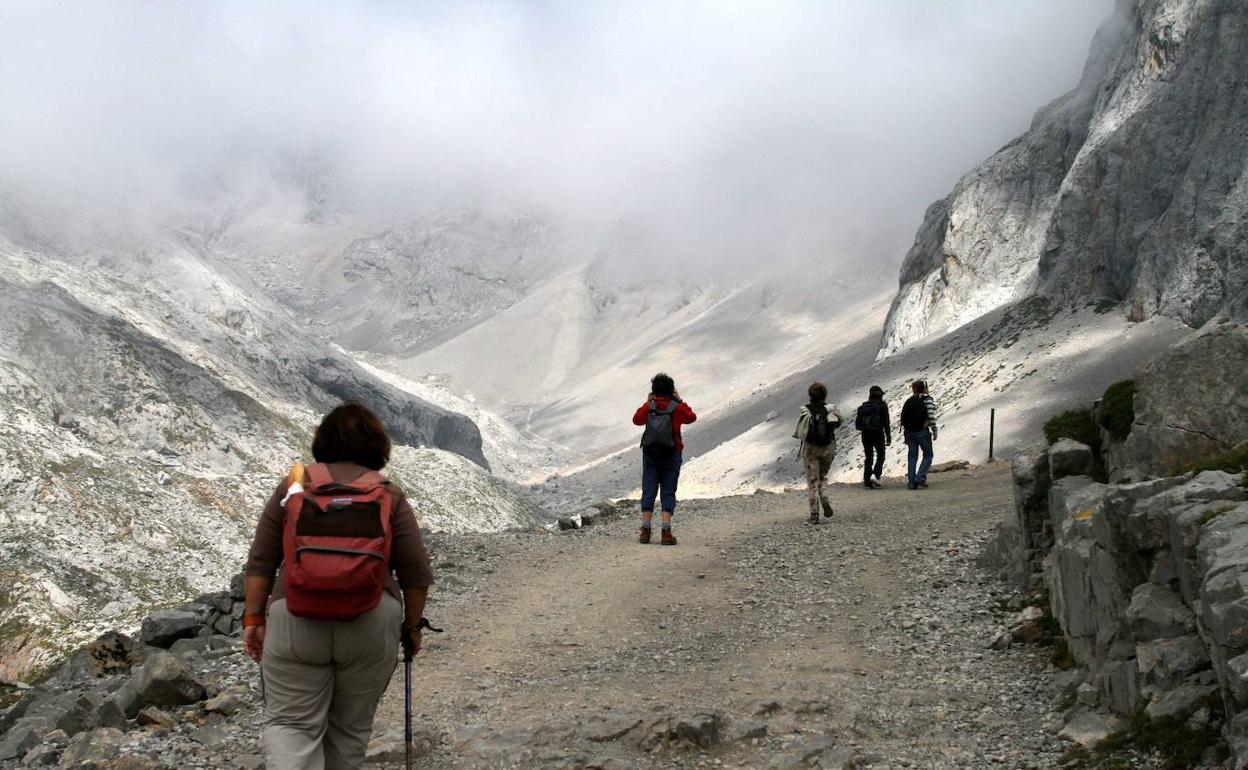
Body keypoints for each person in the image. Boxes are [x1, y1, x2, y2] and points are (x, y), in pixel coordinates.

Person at [242, 402, 435, 770]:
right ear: (378, 446)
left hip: (295, 615)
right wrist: (411, 628)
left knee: (292, 725)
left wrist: (253, 619)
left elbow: (262, 560)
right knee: (348, 730)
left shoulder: (296, 485)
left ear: (322, 442)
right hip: (371, 619)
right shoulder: (388, 494)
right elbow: (416, 572)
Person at [632, 373, 697, 545]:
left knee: (649, 488)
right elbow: (691, 417)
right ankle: (666, 532)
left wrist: (647, 403)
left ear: (654, 391)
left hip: (651, 454)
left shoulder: (650, 407)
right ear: (671, 390)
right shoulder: (677, 407)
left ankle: (645, 531)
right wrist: (680, 400)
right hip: (672, 453)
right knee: (668, 490)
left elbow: (636, 420)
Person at [793, 382, 841, 523]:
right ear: (824, 395)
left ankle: (814, 514)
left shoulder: (805, 411)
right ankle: (824, 497)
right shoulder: (831, 410)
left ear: (810, 395)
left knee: (813, 480)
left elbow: (801, 430)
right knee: (823, 476)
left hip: (810, 449)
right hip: (828, 447)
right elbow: (838, 422)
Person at [900, 380, 938, 490]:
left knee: (912, 456)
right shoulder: (927, 399)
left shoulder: (910, 400)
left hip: (909, 432)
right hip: (922, 431)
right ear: (925, 388)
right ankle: (920, 477)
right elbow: (930, 415)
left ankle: (911, 481)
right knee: (928, 454)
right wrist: (934, 429)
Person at [855, 385, 892, 489]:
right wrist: (888, 436)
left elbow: (857, 425)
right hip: (878, 433)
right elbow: (886, 422)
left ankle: (867, 481)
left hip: (865, 434)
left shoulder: (863, 407)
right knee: (880, 455)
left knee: (868, 457)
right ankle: (875, 475)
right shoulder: (882, 405)